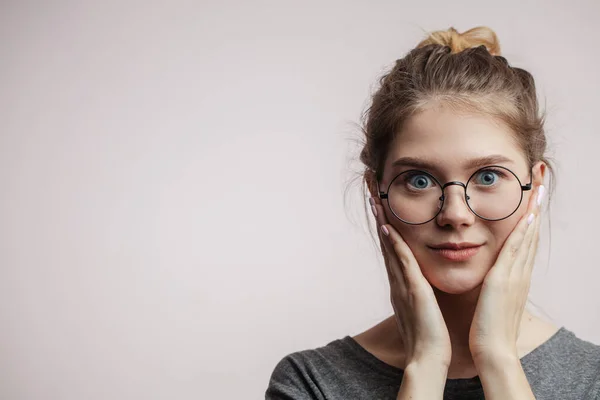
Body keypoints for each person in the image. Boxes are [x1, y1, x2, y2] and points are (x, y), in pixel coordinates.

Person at [265, 26, 600, 399]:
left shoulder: (592, 379)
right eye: (419, 180)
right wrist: (425, 365)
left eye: (488, 176)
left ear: (534, 186)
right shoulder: (311, 383)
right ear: (376, 191)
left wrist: (498, 360)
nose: (455, 214)